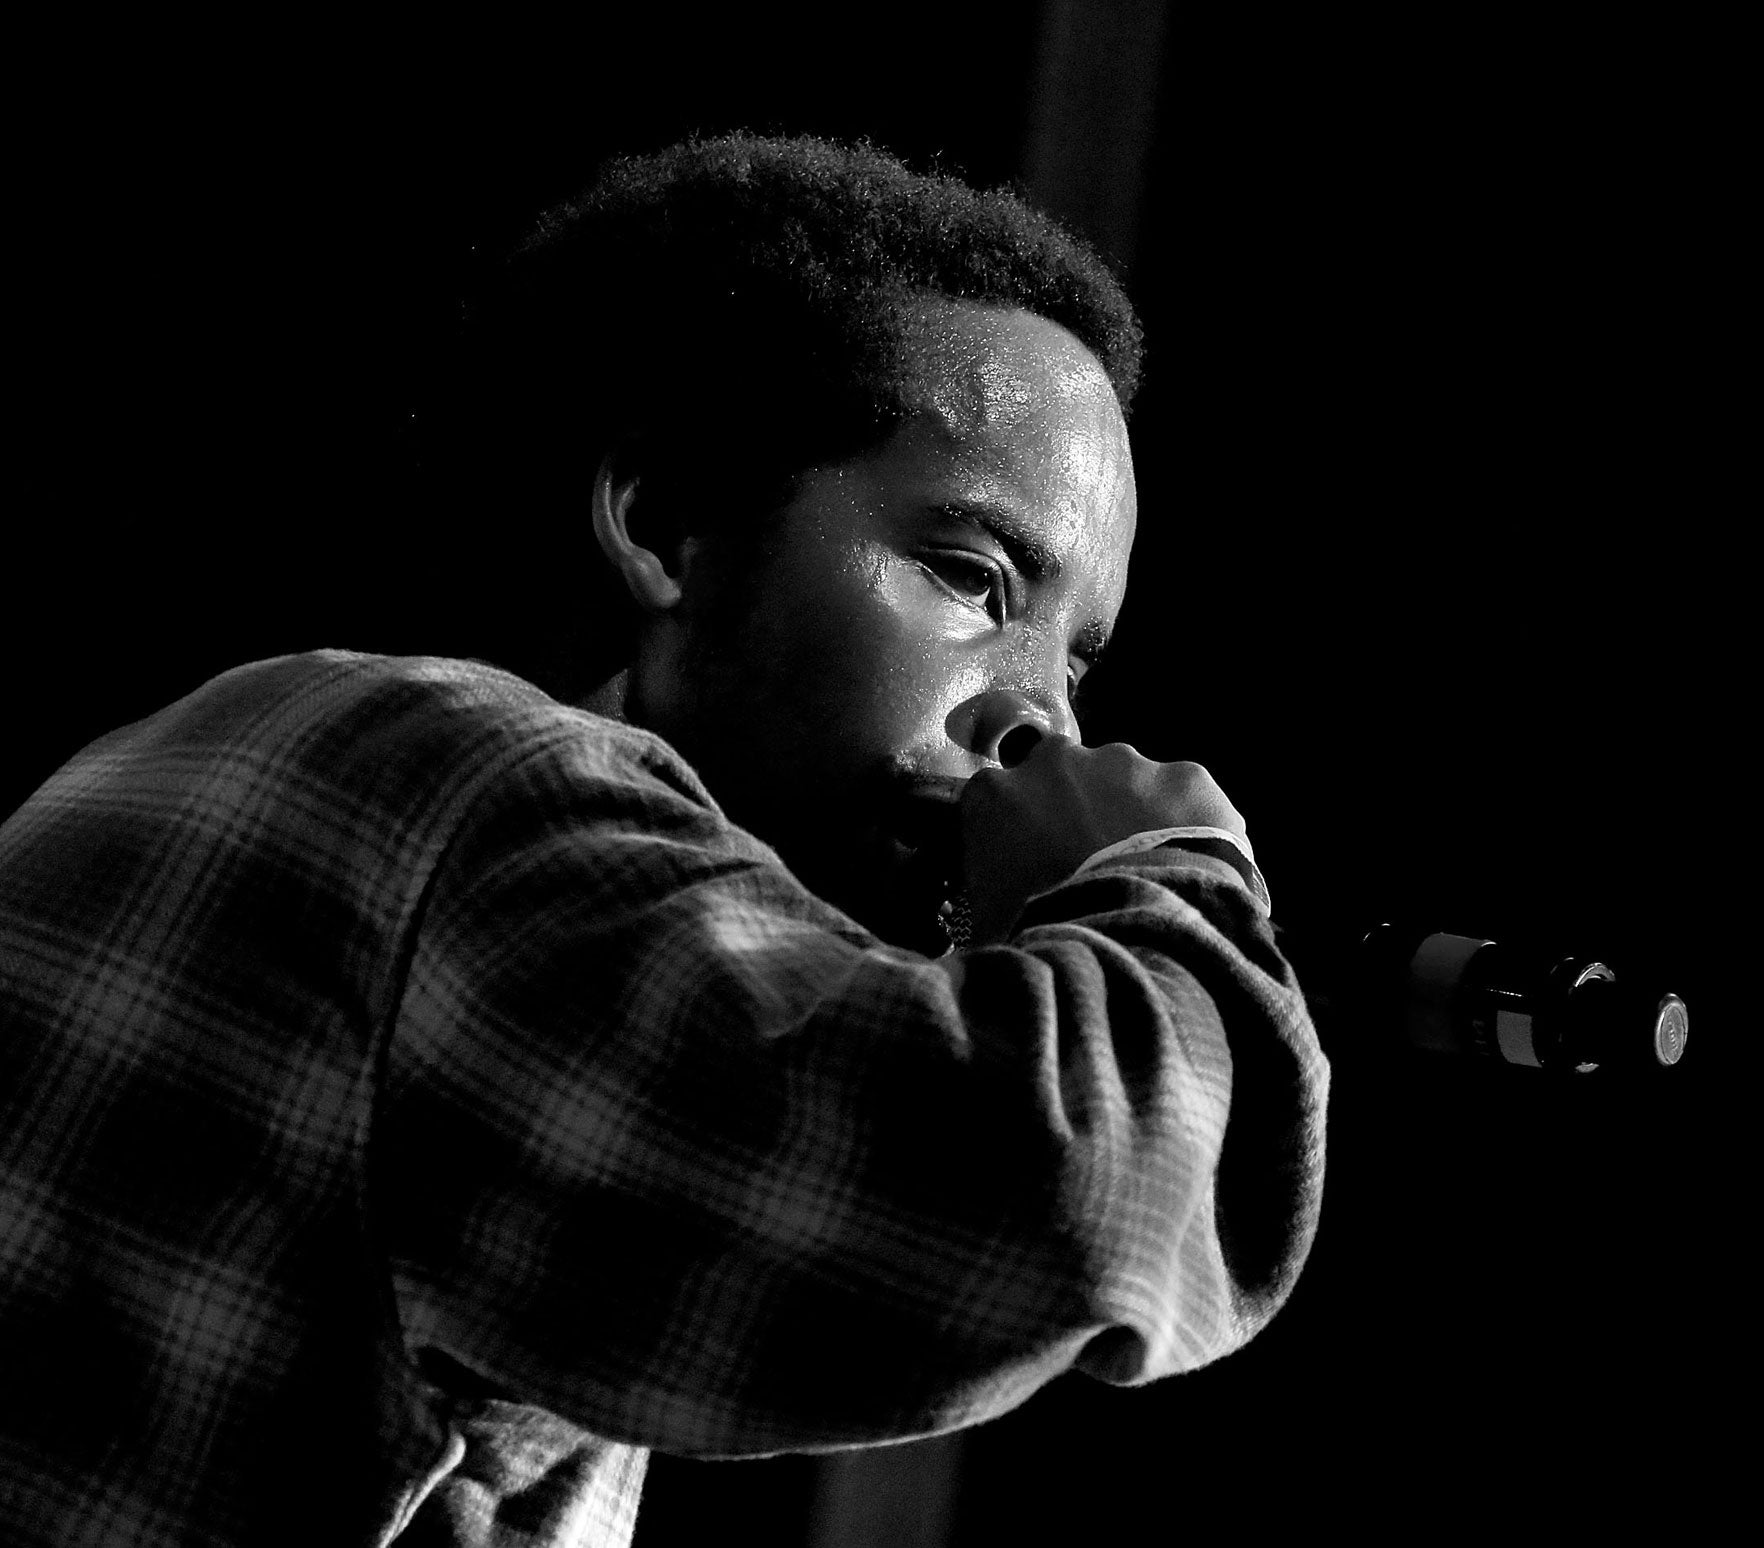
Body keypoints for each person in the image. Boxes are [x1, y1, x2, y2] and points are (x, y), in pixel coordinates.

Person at [0, 135, 1328, 1546]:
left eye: (1077, 662)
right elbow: (1063, 1203)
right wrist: (1160, 887)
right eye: (971, 576)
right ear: (668, 522)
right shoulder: (473, 789)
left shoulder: (317, 760)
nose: (1041, 728)